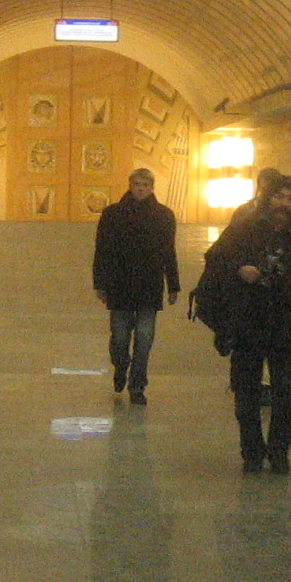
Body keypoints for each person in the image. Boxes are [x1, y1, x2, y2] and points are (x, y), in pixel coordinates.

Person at [195, 174, 291, 474]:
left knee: (287, 394)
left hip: (290, 324)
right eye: (278, 196)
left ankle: (279, 451)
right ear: (268, 199)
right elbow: (216, 257)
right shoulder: (245, 227)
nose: (283, 204)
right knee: (246, 393)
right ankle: (252, 451)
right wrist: (239, 269)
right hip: (250, 321)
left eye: (290, 199)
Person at [93, 168, 181, 405]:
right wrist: (100, 283)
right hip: (119, 284)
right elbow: (102, 250)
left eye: (145, 185)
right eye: (137, 184)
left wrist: (173, 284)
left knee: (144, 339)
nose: (141, 189)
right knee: (120, 339)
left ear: (152, 188)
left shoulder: (164, 216)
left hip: (149, 285)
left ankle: (138, 385)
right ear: (130, 186)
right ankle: (121, 365)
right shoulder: (112, 214)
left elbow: (168, 251)